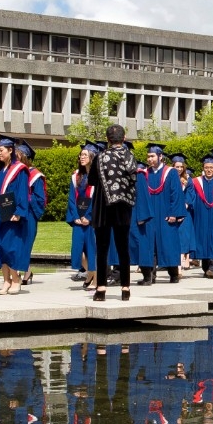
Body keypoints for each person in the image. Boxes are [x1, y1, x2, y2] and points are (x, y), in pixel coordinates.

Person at [91, 124, 136, 302]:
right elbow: (133, 179)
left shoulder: (100, 157)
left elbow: (93, 181)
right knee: (123, 247)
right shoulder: (130, 156)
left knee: (102, 248)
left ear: (108, 139)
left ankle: (101, 288)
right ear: (123, 138)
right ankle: (125, 288)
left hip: (103, 205)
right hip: (123, 206)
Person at [132, 144, 184, 284]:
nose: (150, 159)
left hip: (165, 214)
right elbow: (139, 196)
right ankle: (148, 277)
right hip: (148, 215)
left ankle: (173, 274)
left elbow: (176, 194)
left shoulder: (171, 172)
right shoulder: (143, 174)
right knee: (146, 244)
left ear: (160, 157)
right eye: (148, 156)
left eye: (152, 156)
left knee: (168, 243)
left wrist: (174, 213)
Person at [0, 135, 30, 295]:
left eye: (1, 150)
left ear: (10, 150)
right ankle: (6, 280)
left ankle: (16, 279)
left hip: (12, 215)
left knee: (10, 247)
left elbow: (23, 192)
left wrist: (19, 212)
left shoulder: (20, 170)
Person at [66, 142, 99, 289]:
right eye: (81, 155)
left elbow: (98, 199)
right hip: (79, 219)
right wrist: (75, 216)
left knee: (93, 250)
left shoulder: (98, 176)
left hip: (91, 220)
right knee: (78, 251)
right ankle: (91, 273)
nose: (82, 157)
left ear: (92, 157)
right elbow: (72, 198)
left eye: (85, 155)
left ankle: (96, 280)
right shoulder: (76, 176)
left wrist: (90, 217)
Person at [17, 140, 46, 286]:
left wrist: (25, 198)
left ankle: (26, 272)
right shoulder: (15, 174)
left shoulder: (35, 175)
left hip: (28, 214)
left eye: (18, 155)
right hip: (15, 213)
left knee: (26, 243)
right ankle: (24, 271)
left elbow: (40, 199)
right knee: (16, 243)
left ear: (24, 157)